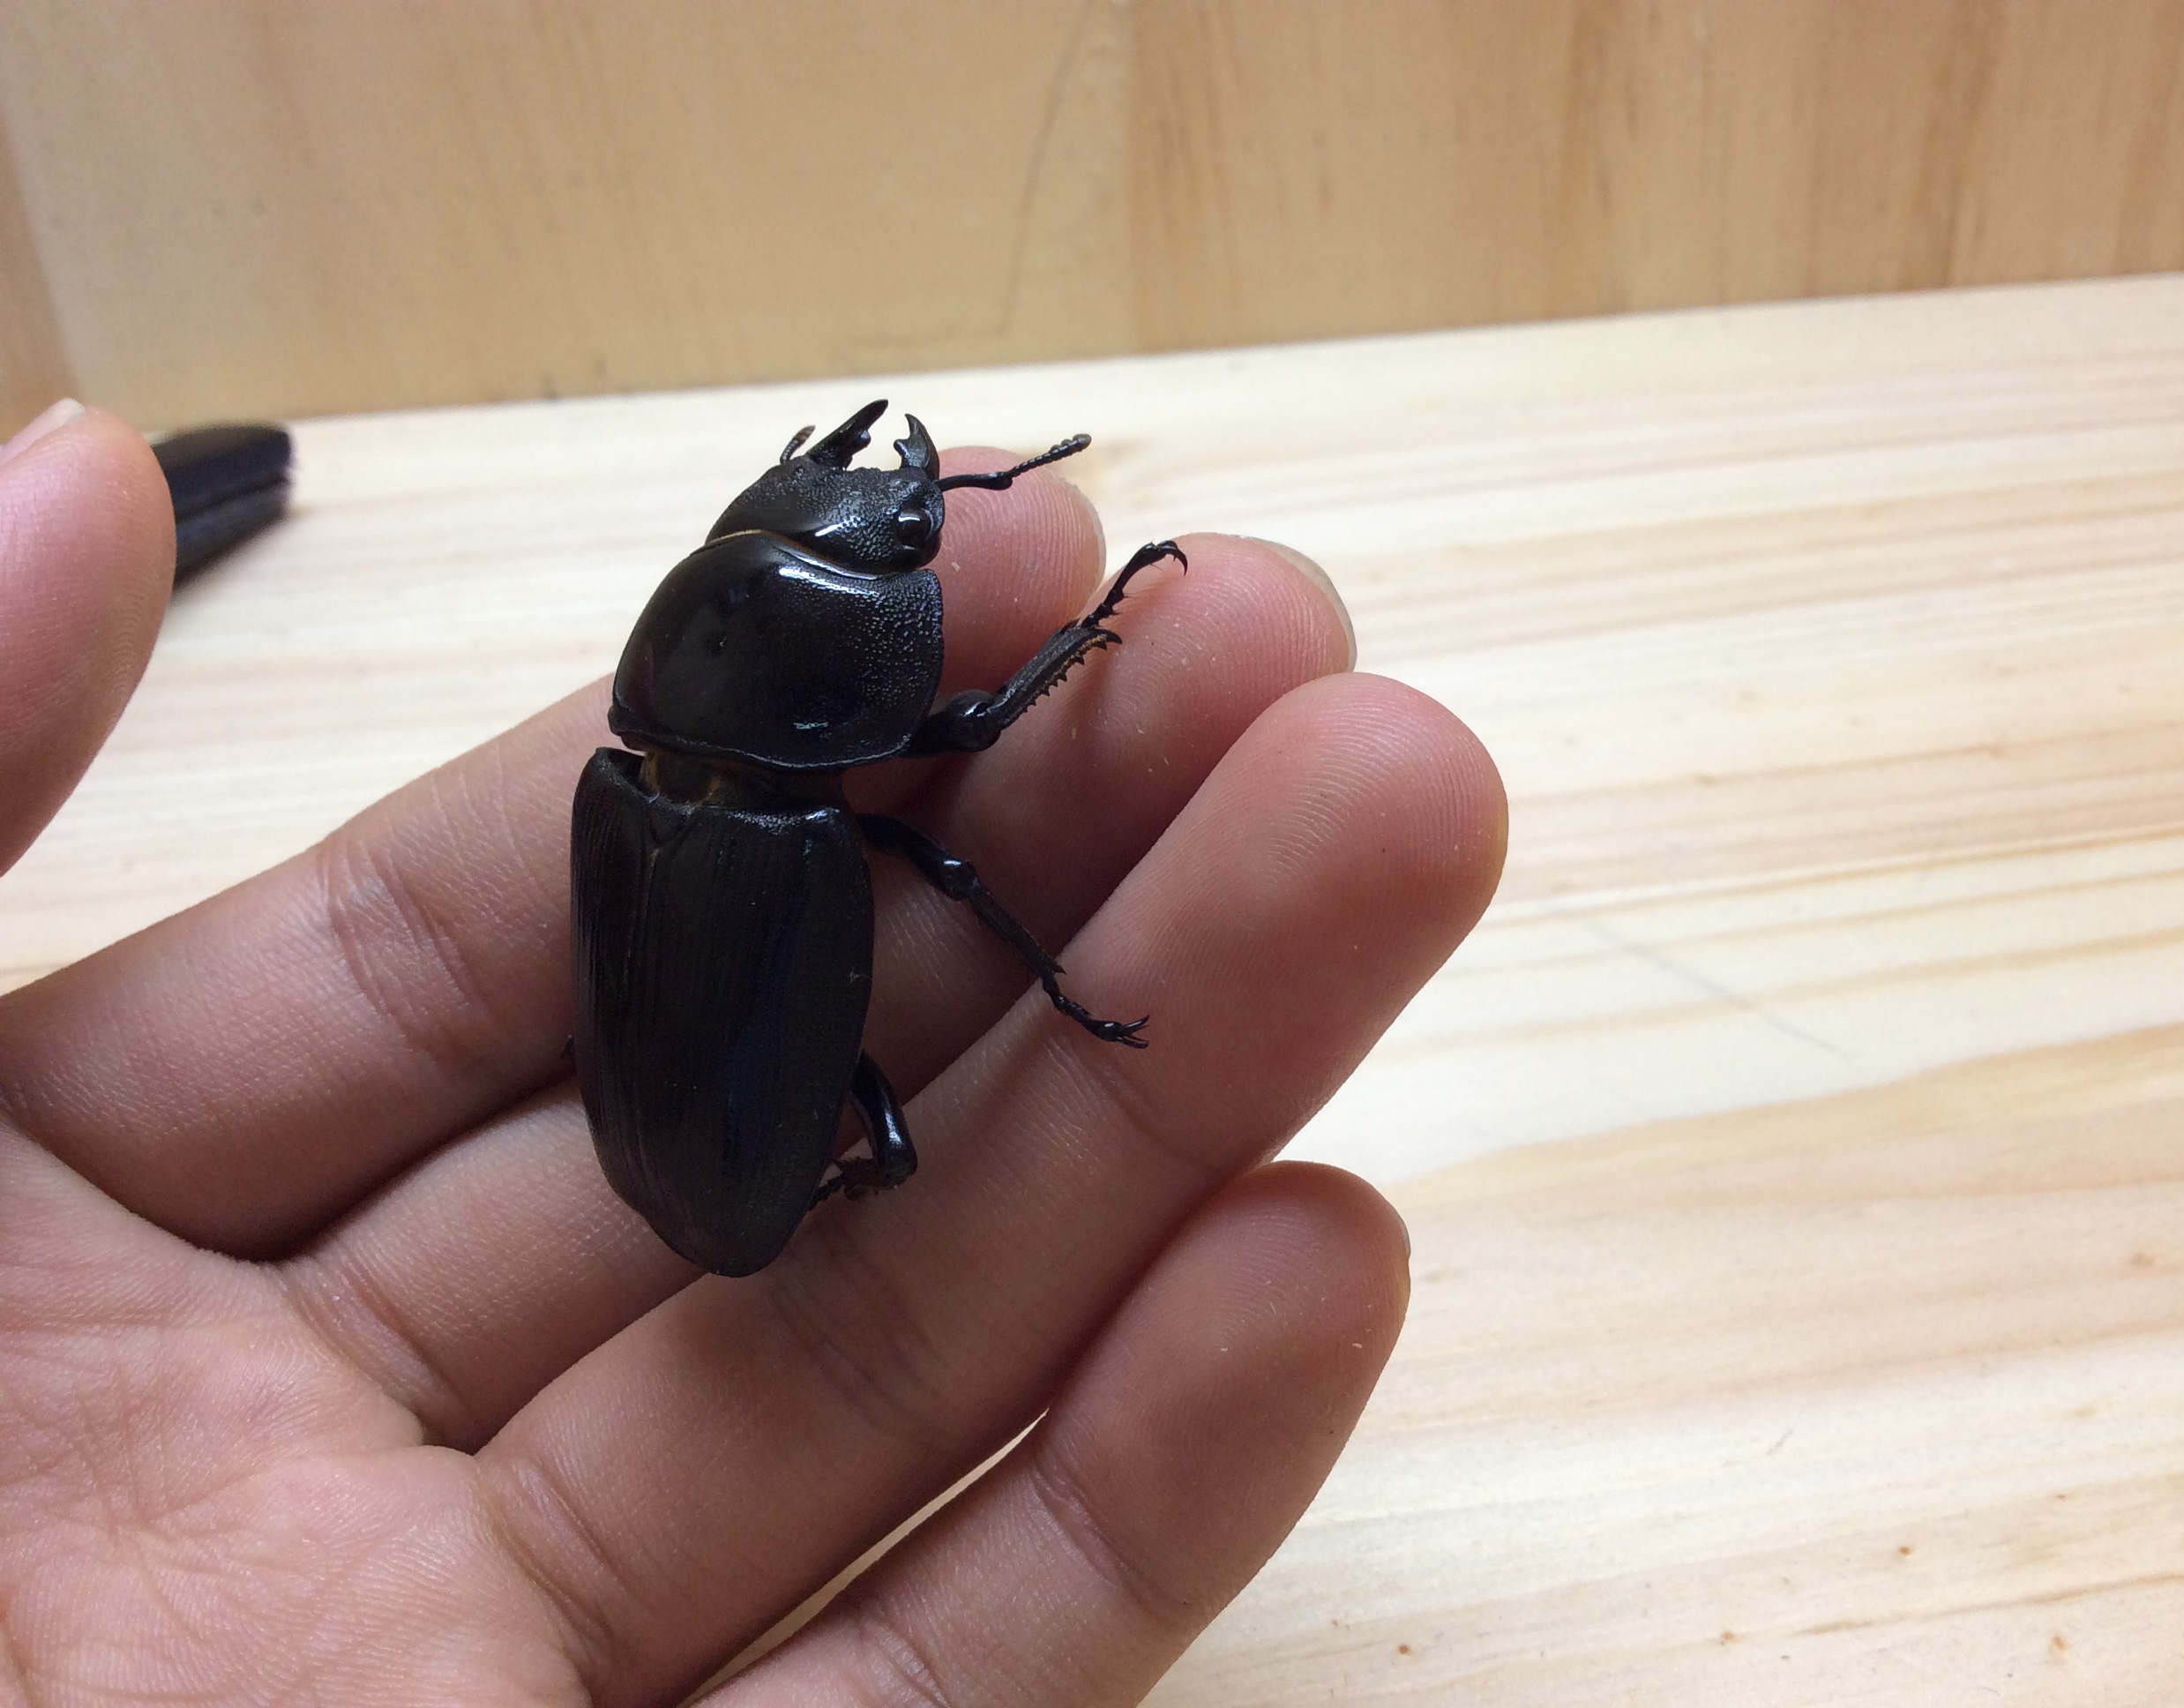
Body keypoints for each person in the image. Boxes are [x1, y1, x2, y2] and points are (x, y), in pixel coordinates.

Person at [0, 399, 1503, 1705]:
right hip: (702, 1154)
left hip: (670, 1136)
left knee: (896, 1116)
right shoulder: (719, 809)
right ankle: (863, 1167)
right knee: (901, 1129)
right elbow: (974, 729)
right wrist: (1083, 676)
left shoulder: (616, 786)